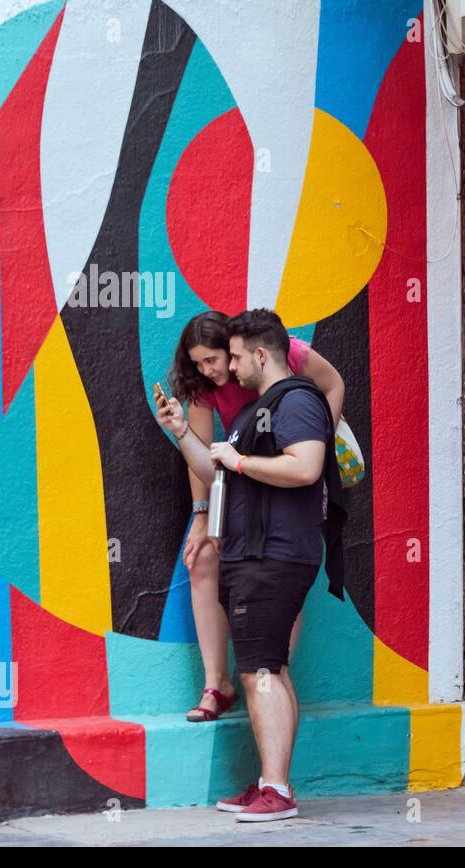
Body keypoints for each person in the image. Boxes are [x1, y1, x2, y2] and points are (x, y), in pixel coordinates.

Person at [156, 308, 346, 821]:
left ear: (260, 355)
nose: (229, 370)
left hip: (276, 556)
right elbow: (218, 471)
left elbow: (305, 467)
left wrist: (239, 461)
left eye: (234, 358)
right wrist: (182, 431)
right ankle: (269, 780)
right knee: (268, 669)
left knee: (263, 672)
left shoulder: (298, 402)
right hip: (254, 556)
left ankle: (278, 792)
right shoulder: (255, 413)